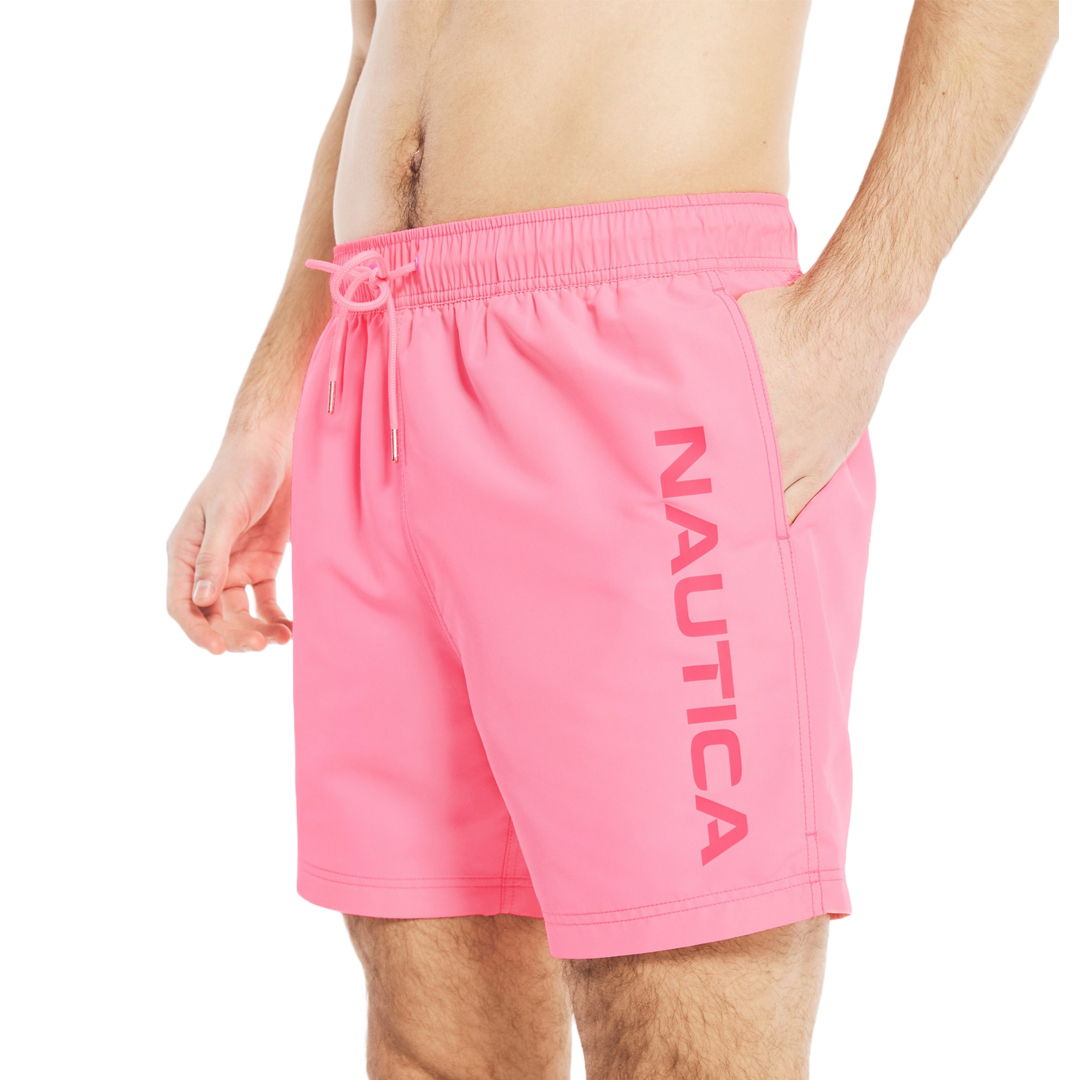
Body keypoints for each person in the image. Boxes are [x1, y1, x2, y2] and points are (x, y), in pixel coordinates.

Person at [165, 2, 1057, 1076]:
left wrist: (855, 326)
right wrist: (270, 409)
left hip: (643, 369)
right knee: (430, 1031)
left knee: (679, 1023)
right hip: (378, 369)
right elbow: (374, 47)